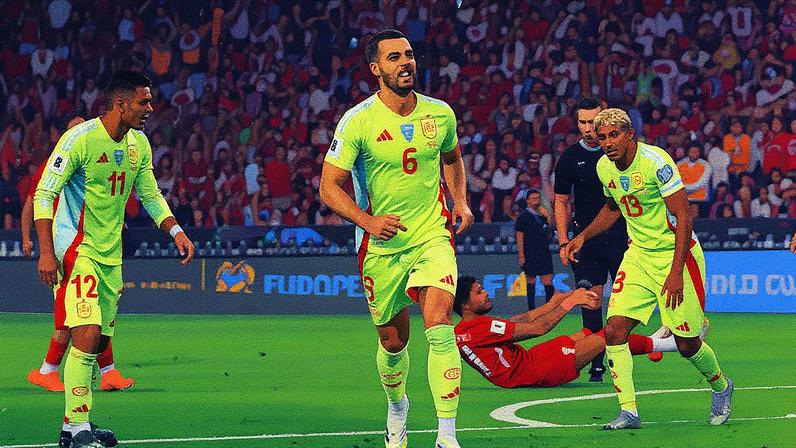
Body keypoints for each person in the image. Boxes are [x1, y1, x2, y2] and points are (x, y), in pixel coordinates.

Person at [319, 29, 473, 448]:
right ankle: (397, 406)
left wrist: (460, 200)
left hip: (431, 235)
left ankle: (446, 437)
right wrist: (366, 221)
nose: (405, 63)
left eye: (408, 55)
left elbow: (453, 158)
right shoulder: (357, 120)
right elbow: (328, 187)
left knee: (440, 322)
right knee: (393, 342)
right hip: (380, 247)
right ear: (376, 69)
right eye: (393, 58)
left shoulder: (440, 113)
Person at [34, 71, 195, 448]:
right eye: (144, 102)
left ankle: (74, 426)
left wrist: (177, 231)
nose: (150, 109)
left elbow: (151, 195)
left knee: (97, 340)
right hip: (77, 247)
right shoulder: (80, 139)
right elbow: (44, 194)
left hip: (111, 255)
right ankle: (77, 428)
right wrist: (45, 251)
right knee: (86, 331)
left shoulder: (139, 145)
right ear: (121, 104)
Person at [563, 108, 732, 430]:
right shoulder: (604, 167)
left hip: (676, 256)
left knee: (686, 344)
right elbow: (614, 207)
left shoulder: (656, 162)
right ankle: (629, 411)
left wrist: (675, 271)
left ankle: (721, 385)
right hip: (638, 255)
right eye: (602, 138)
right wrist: (582, 236)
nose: (608, 143)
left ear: (630, 135)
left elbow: (684, 217)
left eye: (614, 135)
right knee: (614, 330)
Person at [23, 116, 135, 394]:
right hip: (67, 245)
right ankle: (51, 371)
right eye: (75, 131)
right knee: (77, 316)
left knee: (91, 313)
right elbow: (34, 201)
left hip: (89, 244)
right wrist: (31, 241)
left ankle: (103, 372)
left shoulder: (94, 160)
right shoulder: (56, 163)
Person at [453, 276, 681, 389]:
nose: (485, 294)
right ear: (465, 304)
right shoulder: (479, 328)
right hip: (533, 372)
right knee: (608, 334)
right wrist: (571, 301)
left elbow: (522, 319)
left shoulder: (467, 329)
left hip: (527, 363)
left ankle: (654, 341)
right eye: (479, 292)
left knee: (583, 334)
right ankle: (670, 344)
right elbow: (538, 328)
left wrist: (556, 300)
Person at [553, 95, 628, 382]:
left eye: (592, 121)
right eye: (582, 122)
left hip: (621, 237)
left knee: (621, 304)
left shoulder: (619, 152)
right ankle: (596, 362)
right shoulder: (570, 158)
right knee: (590, 299)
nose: (587, 128)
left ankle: (618, 356)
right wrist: (563, 240)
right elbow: (561, 201)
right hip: (585, 241)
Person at [515, 192, 554, 310]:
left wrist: (548, 217)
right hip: (530, 253)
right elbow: (519, 237)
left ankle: (549, 309)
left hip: (544, 252)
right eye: (533, 198)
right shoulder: (523, 217)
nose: (536, 200)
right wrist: (521, 256)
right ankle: (531, 310)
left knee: (548, 281)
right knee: (531, 281)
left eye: (537, 198)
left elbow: (551, 230)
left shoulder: (542, 215)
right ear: (527, 200)